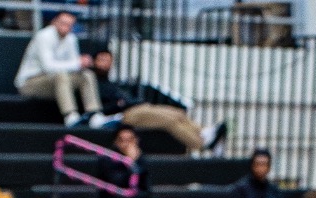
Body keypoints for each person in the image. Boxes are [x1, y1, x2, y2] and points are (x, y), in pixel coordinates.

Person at [85, 46, 220, 154]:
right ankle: (201, 144)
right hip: (119, 116)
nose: (105, 63)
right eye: (102, 59)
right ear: (94, 61)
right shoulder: (91, 81)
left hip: (134, 108)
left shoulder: (112, 83)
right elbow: (97, 108)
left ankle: (203, 131)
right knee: (169, 121)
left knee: (177, 113)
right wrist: (117, 104)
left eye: (108, 60)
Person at [13, 9, 106, 131]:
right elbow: (49, 67)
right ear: (54, 22)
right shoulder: (43, 36)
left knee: (86, 74)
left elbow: (74, 67)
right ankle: (70, 116)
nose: (66, 27)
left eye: (70, 24)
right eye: (63, 23)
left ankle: (95, 114)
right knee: (60, 75)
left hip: (58, 82)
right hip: (30, 83)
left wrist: (81, 64)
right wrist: (78, 63)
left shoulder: (71, 39)